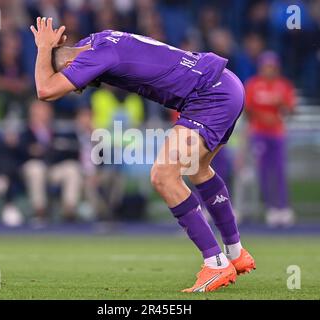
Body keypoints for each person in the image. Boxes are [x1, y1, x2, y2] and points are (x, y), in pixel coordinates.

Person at [29, 18, 255, 293]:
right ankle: (235, 253)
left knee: (163, 176)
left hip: (209, 96)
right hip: (226, 83)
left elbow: (45, 90)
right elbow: (71, 59)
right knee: (198, 169)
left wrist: (43, 48)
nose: (80, 87)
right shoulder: (98, 39)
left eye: (76, 84)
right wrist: (54, 48)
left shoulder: (94, 57)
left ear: (68, 67)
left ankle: (215, 262)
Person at [244, 51, 296, 227]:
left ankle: (283, 207)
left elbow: (291, 109)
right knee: (264, 172)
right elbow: (248, 108)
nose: (269, 70)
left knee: (279, 171)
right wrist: (263, 117)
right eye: (266, 67)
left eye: (272, 67)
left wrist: (280, 107)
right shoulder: (253, 85)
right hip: (259, 133)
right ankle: (271, 208)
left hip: (277, 133)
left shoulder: (283, 86)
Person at [20, 100, 81, 225]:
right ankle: (40, 210)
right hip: (31, 169)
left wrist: (52, 149)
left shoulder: (55, 132)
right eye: (41, 111)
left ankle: (69, 210)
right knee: (36, 168)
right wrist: (33, 150)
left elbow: (66, 151)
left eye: (47, 111)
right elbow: (21, 151)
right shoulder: (25, 133)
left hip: (52, 169)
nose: (45, 114)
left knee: (72, 168)